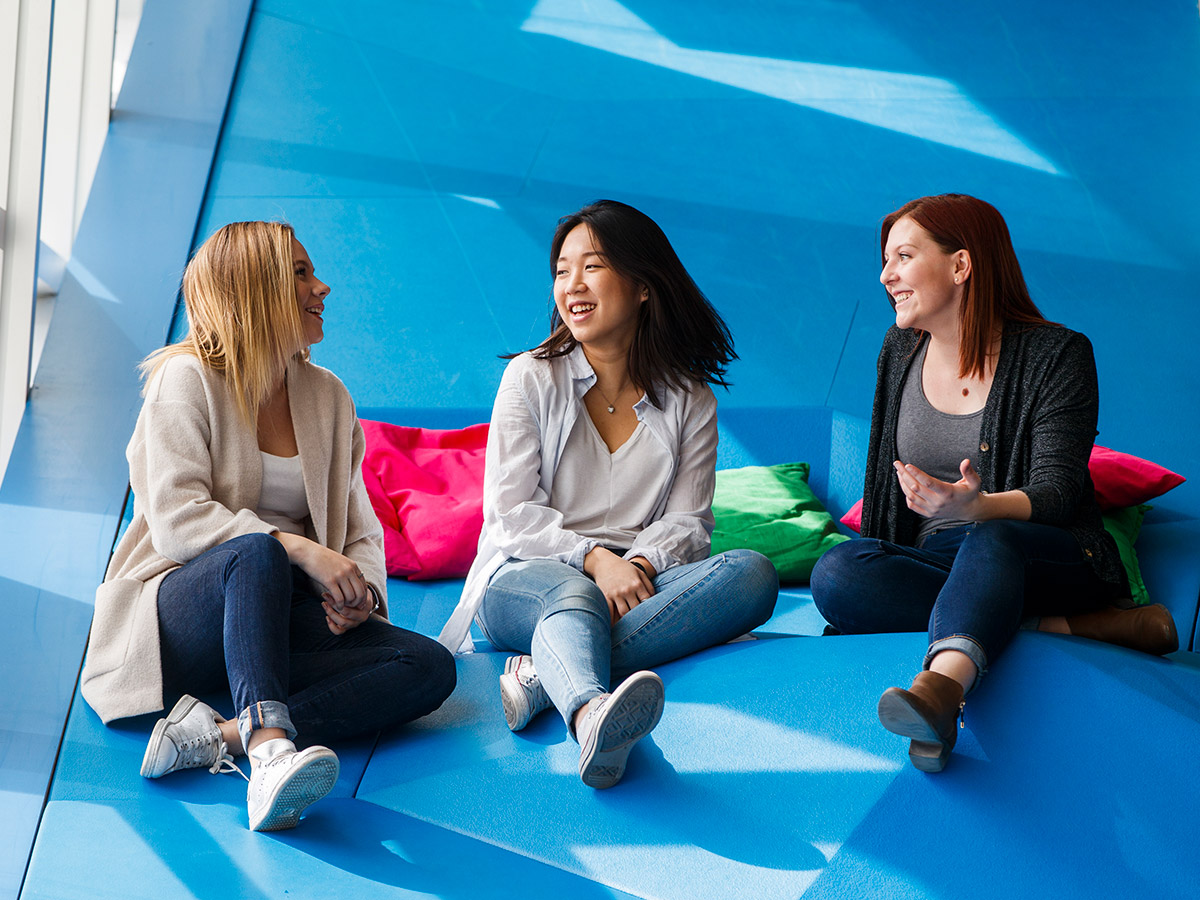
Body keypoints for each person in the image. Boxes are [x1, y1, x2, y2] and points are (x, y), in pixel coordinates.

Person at [81, 221, 456, 831]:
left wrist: (360, 593)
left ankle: (221, 735)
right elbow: (178, 519)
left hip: (277, 621)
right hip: (183, 617)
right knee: (258, 552)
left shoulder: (330, 396)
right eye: (303, 274)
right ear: (256, 290)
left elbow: (359, 527)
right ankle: (270, 755)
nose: (323, 287)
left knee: (430, 666)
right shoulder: (186, 380)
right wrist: (302, 551)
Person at [810, 194, 1177, 773]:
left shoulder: (1059, 354)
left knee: (991, 537)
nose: (886, 275)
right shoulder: (898, 348)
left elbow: (1057, 491)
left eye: (904, 256)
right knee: (836, 571)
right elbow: (884, 485)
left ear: (961, 265)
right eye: (885, 260)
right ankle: (1060, 628)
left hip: (1040, 552)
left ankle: (940, 691)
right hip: (944, 563)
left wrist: (979, 505)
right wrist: (873, 565)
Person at [439, 200, 778, 788]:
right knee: (573, 591)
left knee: (749, 573)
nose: (572, 285)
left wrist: (639, 563)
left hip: (637, 584)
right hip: (527, 577)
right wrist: (596, 561)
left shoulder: (690, 399)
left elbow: (689, 522)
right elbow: (511, 516)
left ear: (643, 285)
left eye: (592, 266)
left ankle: (546, 673)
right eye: (562, 269)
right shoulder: (529, 376)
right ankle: (591, 711)